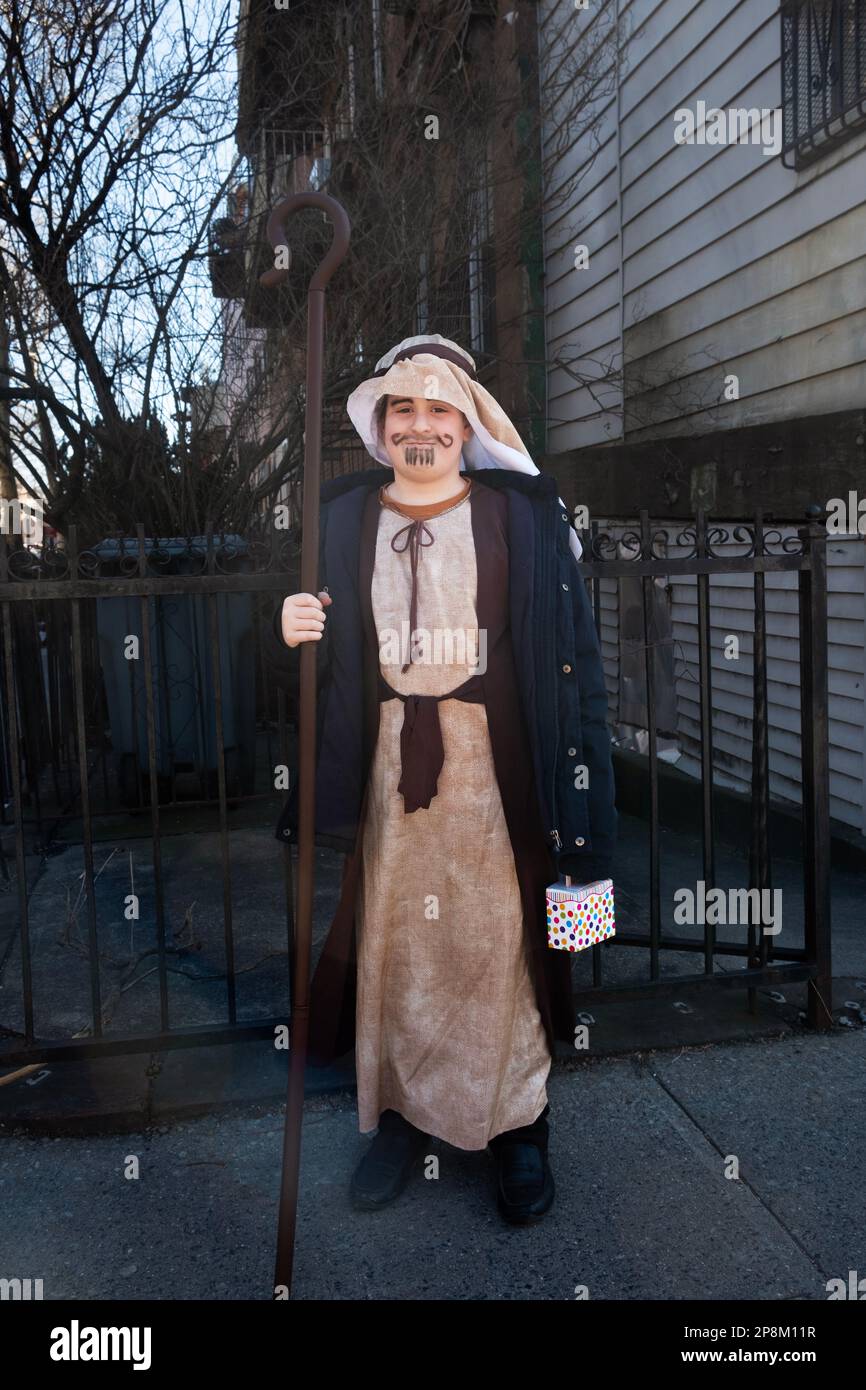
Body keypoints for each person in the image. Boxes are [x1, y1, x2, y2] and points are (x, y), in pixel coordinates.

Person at [261, 335, 617, 1225]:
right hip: (388, 776)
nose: (420, 425)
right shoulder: (340, 519)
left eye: (438, 409)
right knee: (399, 951)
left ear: (467, 425)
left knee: (501, 948)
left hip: (501, 781)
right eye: (402, 409)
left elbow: (574, 662)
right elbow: (291, 678)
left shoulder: (524, 517)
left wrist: (585, 792)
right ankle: (404, 1117)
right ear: (381, 429)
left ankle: (516, 1127)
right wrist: (285, 627)